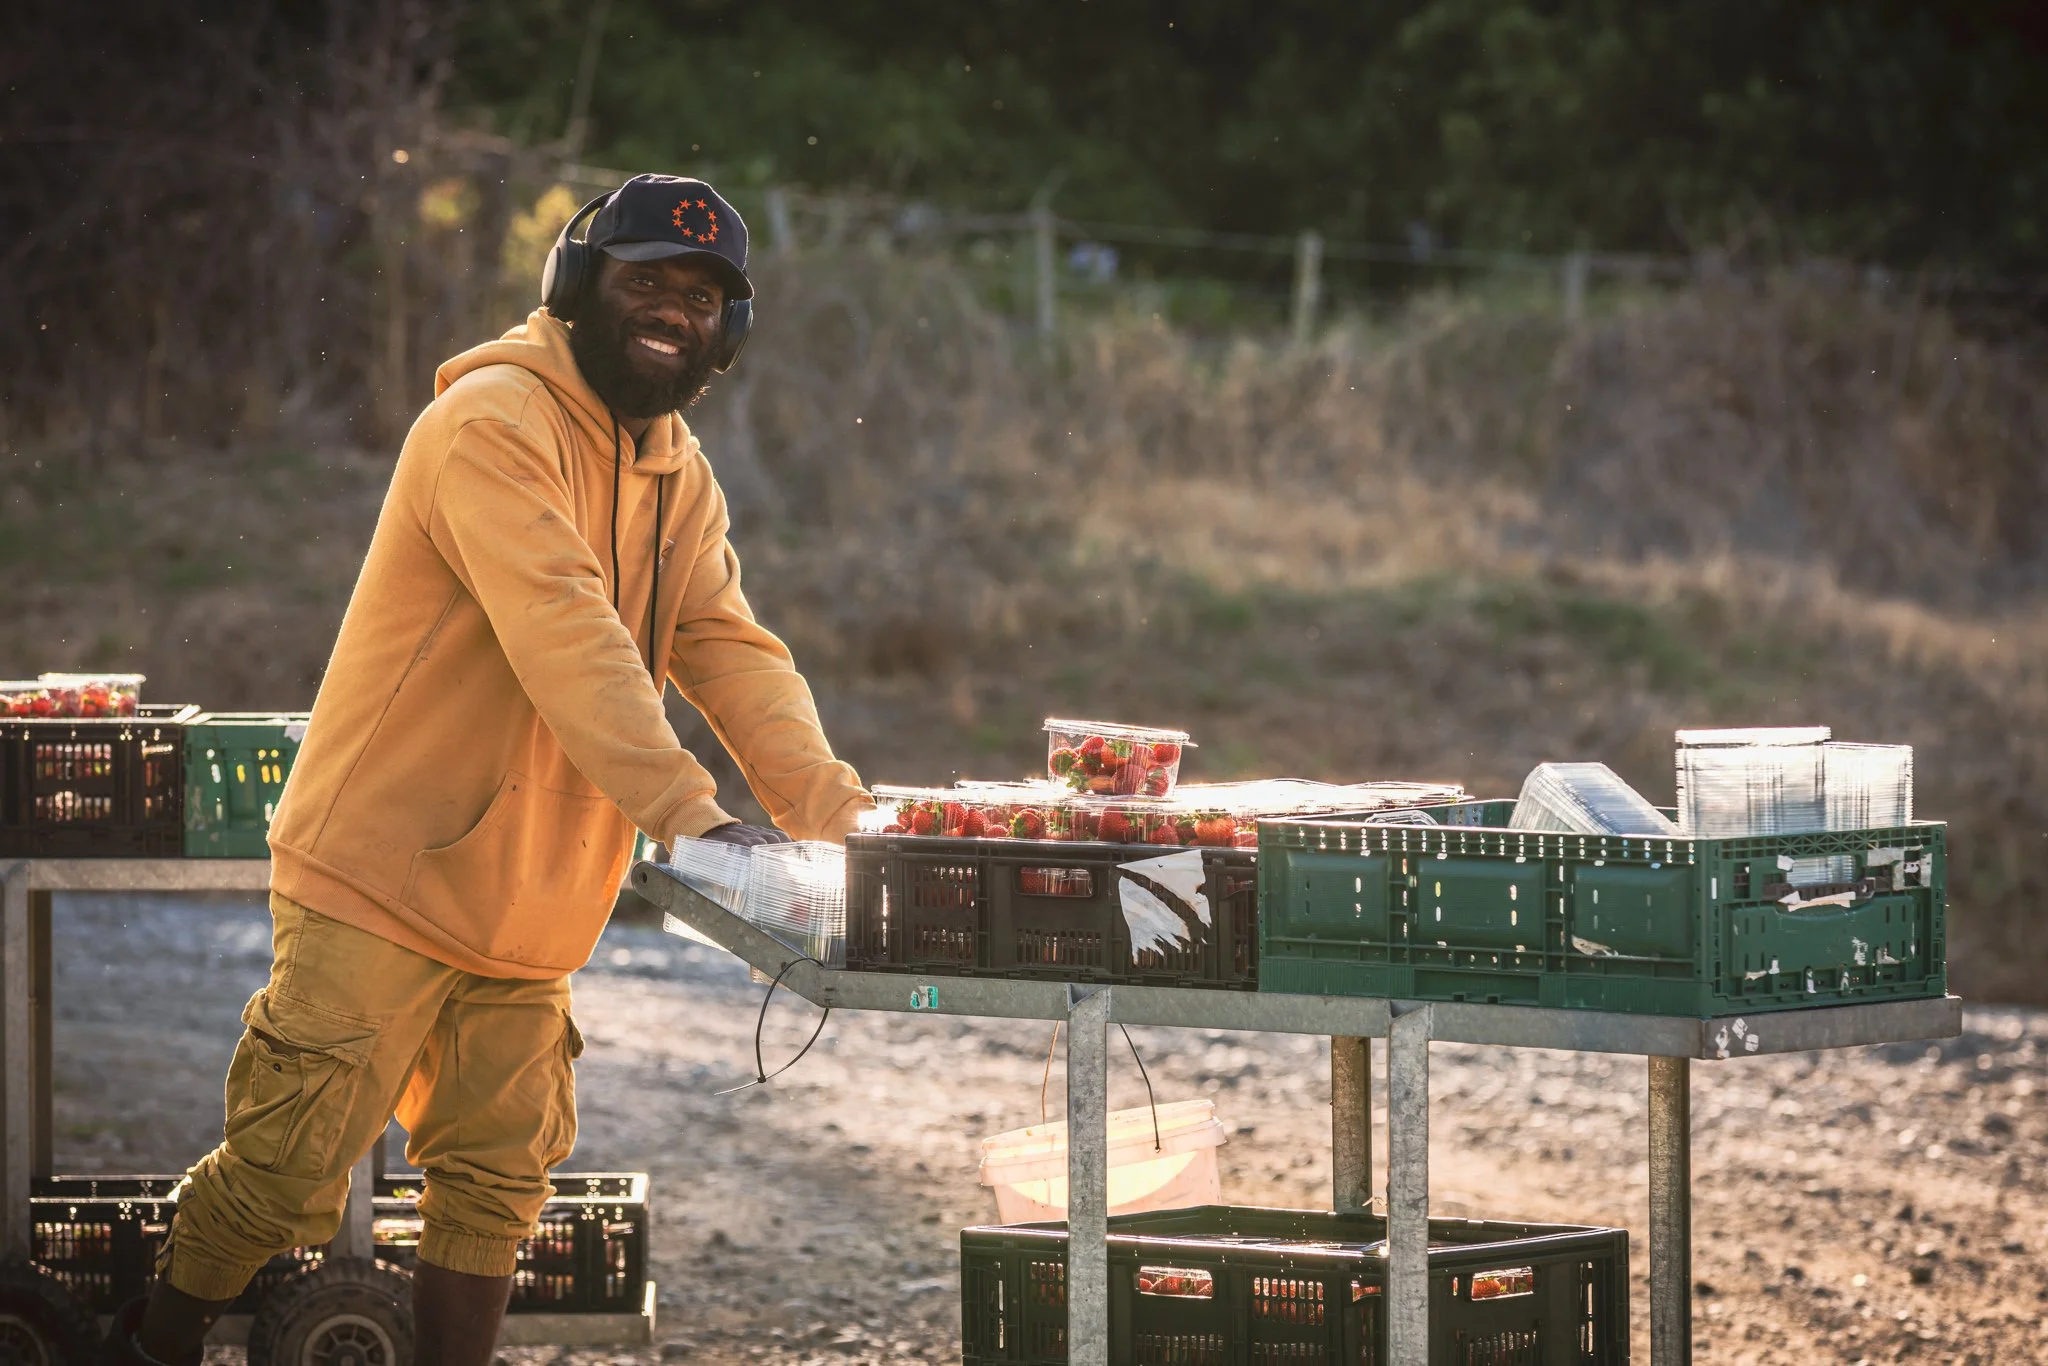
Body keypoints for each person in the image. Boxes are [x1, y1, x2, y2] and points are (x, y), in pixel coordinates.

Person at [106, 175, 870, 1365]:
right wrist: (691, 817)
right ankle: (149, 1348)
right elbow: (568, 633)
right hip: (384, 872)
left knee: (495, 1188)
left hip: (532, 906)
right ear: (576, 289)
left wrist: (849, 821)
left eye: (705, 297)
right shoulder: (491, 424)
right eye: (647, 282)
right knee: (276, 1173)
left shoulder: (682, 476)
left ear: (732, 332)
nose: (675, 309)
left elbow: (732, 655)